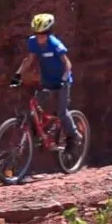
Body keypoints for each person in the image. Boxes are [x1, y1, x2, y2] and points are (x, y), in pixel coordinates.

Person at [9, 13, 80, 146]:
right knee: (35, 107)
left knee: (62, 112)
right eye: (37, 34)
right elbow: (29, 60)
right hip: (47, 81)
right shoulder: (33, 42)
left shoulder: (55, 44)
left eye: (43, 34)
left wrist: (64, 79)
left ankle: (74, 136)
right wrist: (17, 75)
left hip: (62, 82)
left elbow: (67, 64)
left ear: (49, 33)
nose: (40, 37)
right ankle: (42, 135)